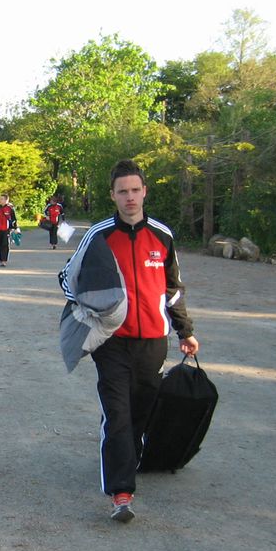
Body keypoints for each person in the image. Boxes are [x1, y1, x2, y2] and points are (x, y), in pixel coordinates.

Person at [59, 159, 199, 523]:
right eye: (123, 191)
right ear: (113, 195)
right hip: (111, 342)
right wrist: (90, 304)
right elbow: (66, 279)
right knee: (118, 413)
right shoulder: (99, 235)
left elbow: (173, 290)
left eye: (135, 190)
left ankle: (129, 456)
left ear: (144, 192)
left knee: (140, 411)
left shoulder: (162, 236)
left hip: (154, 341)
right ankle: (121, 492)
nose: (130, 197)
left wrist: (185, 331)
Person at [0, 194, 18, 266]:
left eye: (2, 199)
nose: (0, 200)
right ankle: (1, 259)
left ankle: (4, 260)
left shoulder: (10, 208)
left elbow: (14, 219)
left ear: (6, 200)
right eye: (0, 199)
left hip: (6, 229)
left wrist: (15, 228)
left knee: (5, 244)